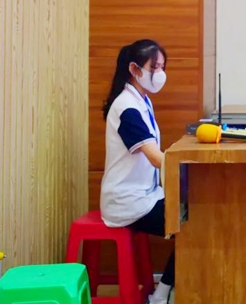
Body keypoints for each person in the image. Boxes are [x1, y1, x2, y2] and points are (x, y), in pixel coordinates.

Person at [100, 39, 174, 304]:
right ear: (134, 69)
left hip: (145, 195)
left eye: (162, 67)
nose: (160, 74)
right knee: (192, 223)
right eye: (154, 68)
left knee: (193, 214)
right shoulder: (127, 107)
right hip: (128, 201)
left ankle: (166, 291)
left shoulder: (142, 100)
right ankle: (161, 296)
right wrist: (185, 167)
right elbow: (154, 157)